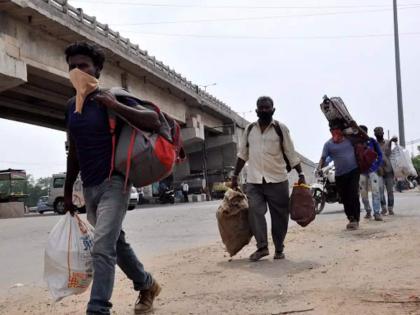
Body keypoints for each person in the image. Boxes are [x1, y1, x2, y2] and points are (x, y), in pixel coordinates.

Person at [63, 42, 161, 315]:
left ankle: (98, 309)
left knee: (102, 247)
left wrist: (115, 105)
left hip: (115, 183)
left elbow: (154, 120)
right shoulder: (72, 106)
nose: (77, 71)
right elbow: (74, 151)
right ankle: (146, 284)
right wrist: (69, 190)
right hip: (90, 186)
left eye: (83, 65)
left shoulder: (112, 97)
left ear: (97, 69)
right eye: (72, 66)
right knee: (116, 242)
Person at [232, 96, 305, 262]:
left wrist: (301, 174)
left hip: (277, 179)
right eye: (261, 108)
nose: (264, 110)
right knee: (255, 212)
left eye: (267, 108)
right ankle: (262, 247)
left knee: (280, 216)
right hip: (254, 181)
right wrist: (235, 176)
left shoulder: (281, 129)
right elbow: (243, 155)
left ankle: (279, 247)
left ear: (273, 110)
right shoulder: (250, 129)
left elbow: (290, 153)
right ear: (256, 110)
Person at [318, 120, 365, 230]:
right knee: (344, 198)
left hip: (353, 171)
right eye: (332, 131)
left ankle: (355, 219)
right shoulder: (328, 145)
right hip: (339, 175)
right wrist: (319, 168)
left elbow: (363, 137)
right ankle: (350, 217)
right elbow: (323, 158)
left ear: (342, 131)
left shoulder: (350, 140)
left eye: (337, 131)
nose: (335, 133)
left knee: (353, 194)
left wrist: (355, 126)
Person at [358, 125, 383, 221]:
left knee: (375, 191)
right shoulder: (356, 142)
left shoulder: (372, 141)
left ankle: (377, 213)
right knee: (363, 193)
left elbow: (380, 154)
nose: (361, 134)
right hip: (362, 172)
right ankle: (368, 211)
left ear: (366, 132)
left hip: (372, 170)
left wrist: (377, 165)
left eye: (362, 132)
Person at [374, 127, 398, 215]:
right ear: (375, 134)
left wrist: (393, 140)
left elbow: (395, 139)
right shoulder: (374, 144)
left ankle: (390, 208)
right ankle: (383, 208)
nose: (379, 134)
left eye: (380, 132)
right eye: (377, 133)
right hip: (378, 170)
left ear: (383, 133)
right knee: (380, 190)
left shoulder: (388, 142)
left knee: (390, 190)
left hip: (389, 170)